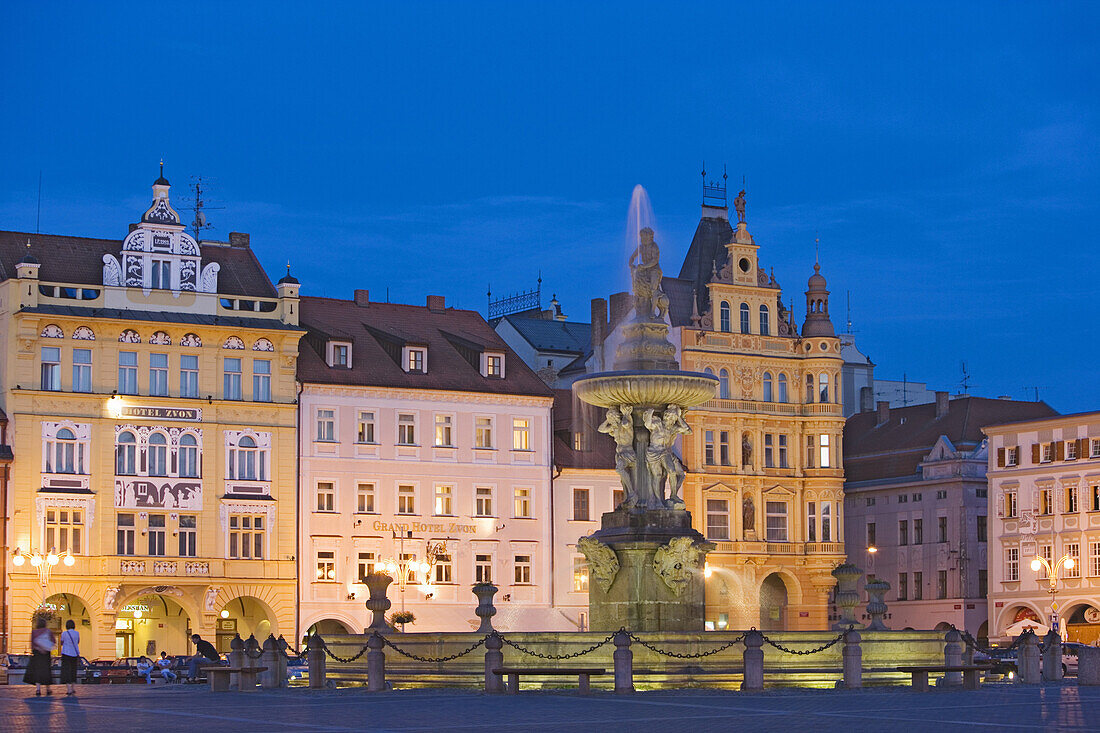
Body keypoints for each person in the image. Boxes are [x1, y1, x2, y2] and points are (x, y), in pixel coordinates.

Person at [25, 617, 55, 696]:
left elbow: (32, 644)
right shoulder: (48, 631)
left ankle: (38, 690)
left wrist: (38, 648)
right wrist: (45, 648)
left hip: (37, 654)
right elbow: (53, 641)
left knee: (37, 672)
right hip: (46, 654)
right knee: (46, 672)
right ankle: (48, 689)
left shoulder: (34, 632)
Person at [59, 619, 80, 696]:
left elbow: (61, 642)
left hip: (66, 653)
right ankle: (73, 687)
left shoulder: (64, 633)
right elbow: (78, 642)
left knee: (66, 671)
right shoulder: (77, 633)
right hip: (74, 654)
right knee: (73, 670)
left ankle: (69, 689)